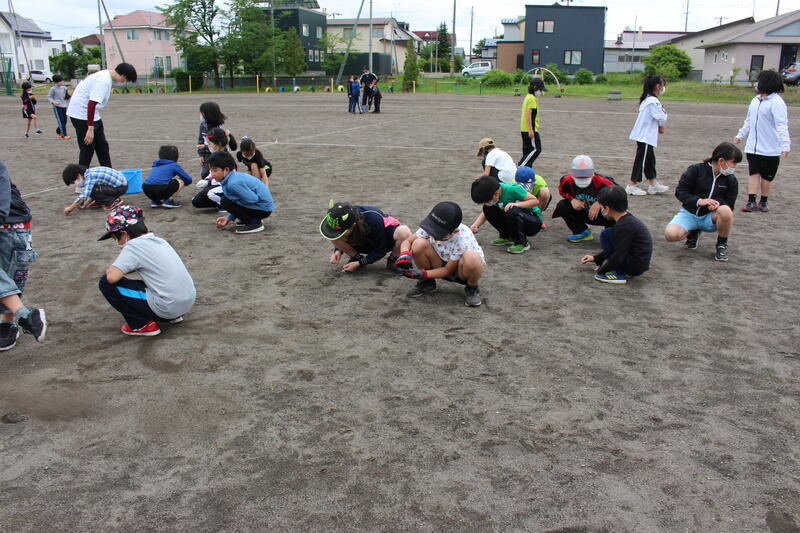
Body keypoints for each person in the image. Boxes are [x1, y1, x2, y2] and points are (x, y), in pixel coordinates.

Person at [98, 205, 196, 336]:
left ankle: (141, 324)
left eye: (116, 239)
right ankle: (173, 316)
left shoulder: (133, 246)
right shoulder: (160, 241)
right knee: (148, 283)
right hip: (186, 303)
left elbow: (112, 277)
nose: (118, 243)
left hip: (167, 307)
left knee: (105, 283)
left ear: (124, 234)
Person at [395, 201, 485, 307]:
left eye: (439, 233)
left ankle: (472, 287)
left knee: (472, 257)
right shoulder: (430, 227)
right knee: (418, 244)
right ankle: (427, 283)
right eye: (432, 230)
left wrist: (423, 273)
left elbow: (447, 270)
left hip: (462, 270)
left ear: (455, 231)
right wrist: (404, 254)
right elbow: (407, 241)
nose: (433, 234)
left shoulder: (463, 238)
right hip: (441, 261)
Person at [664, 142, 741, 262]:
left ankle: (721, 245)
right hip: (689, 213)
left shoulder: (731, 180)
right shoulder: (696, 170)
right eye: (734, 162)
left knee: (726, 211)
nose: (735, 167)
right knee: (671, 235)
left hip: (710, 218)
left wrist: (717, 204)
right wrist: (699, 201)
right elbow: (680, 191)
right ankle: (692, 232)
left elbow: (730, 204)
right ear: (721, 160)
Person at [0, 161, 46, 350]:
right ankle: (18, 318)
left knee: (8, 277)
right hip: (10, 227)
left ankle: (15, 319)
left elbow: (2, 206)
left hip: (11, 229)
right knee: (6, 278)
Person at [734, 69, 791, 213]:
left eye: (759, 81)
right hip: (752, 147)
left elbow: (781, 125)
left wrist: (785, 145)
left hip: (770, 148)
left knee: (767, 177)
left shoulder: (777, 102)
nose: (757, 84)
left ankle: (763, 201)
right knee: (753, 173)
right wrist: (741, 135)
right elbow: (749, 120)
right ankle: (751, 201)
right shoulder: (755, 100)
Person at [66, 62, 137, 167]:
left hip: (92, 114)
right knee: (87, 149)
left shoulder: (106, 76)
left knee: (102, 146)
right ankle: (80, 175)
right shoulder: (103, 81)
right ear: (123, 75)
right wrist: (90, 129)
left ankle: (109, 173)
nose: (124, 82)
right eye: (126, 80)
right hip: (80, 114)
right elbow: (91, 104)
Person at [580, 185, 652, 285]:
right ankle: (618, 269)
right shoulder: (627, 220)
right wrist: (596, 258)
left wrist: (602, 270)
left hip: (635, 266)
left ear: (607, 208)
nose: (602, 210)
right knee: (610, 234)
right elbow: (618, 246)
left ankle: (619, 273)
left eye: (602, 207)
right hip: (638, 263)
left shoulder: (624, 225)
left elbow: (619, 254)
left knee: (606, 234)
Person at [319, 201, 412, 272]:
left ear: (353, 225)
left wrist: (360, 264)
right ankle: (355, 257)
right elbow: (337, 234)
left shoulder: (373, 218)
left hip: (383, 241)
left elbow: (381, 250)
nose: (339, 234)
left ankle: (393, 260)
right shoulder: (343, 219)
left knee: (404, 232)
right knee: (331, 236)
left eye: (341, 232)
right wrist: (338, 251)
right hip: (361, 241)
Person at [470, 176, 542, 254]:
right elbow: (485, 213)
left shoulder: (512, 189)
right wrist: (476, 225)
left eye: (487, 201)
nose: (487, 203)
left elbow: (535, 201)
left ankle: (522, 243)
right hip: (517, 218)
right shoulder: (494, 191)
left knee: (512, 210)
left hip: (533, 223)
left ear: (496, 194)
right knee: (488, 208)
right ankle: (507, 236)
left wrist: (516, 204)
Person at [551, 155, 616, 242]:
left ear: (593, 172)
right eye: (578, 176)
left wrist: (601, 202)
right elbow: (563, 191)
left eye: (585, 176)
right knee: (562, 205)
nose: (582, 178)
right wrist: (572, 200)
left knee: (615, 210)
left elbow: (619, 196)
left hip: (604, 216)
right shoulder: (567, 180)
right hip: (584, 212)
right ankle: (582, 231)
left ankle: (611, 235)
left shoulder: (604, 182)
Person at [207, 151, 275, 234]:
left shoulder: (233, 183)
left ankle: (255, 223)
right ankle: (251, 219)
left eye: (215, 171)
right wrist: (229, 218)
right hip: (262, 207)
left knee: (225, 202)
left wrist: (236, 203)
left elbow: (253, 199)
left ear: (226, 170)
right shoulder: (231, 178)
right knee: (227, 200)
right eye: (211, 171)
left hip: (263, 209)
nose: (212, 174)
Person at [627, 74, 669, 196]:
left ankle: (653, 184)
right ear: (657, 86)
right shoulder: (652, 101)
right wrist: (662, 124)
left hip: (647, 136)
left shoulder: (648, 99)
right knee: (642, 160)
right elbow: (660, 116)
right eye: (662, 85)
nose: (663, 87)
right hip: (645, 136)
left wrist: (660, 125)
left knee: (650, 159)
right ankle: (631, 185)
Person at [192, 128, 237, 210]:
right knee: (197, 201)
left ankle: (226, 205)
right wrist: (207, 180)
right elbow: (211, 173)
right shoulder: (217, 155)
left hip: (225, 186)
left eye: (209, 143)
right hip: (217, 184)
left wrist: (208, 182)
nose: (208, 146)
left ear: (218, 144)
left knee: (204, 196)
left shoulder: (224, 157)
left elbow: (225, 177)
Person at [62, 164, 127, 214]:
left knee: (94, 189)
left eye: (73, 182)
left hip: (120, 188)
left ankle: (113, 201)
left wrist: (70, 208)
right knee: (93, 189)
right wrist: (84, 205)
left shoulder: (90, 177)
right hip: (119, 185)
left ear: (78, 175)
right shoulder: (89, 172)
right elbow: (90, 192)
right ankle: (101, 201)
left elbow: (84, 196)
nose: (75, 184)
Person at [197, 101, 234, 177]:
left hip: (218, 153)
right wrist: (201, 154)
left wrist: (205, 147)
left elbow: (218, 146)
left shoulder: (218, 128)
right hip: (207, 153)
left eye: (201, 112)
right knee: (204, 174)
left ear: (208, 114)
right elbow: (201, 140)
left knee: (216, 172)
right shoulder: (203, 125)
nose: (200, 114)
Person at [519, 78, 545, 167]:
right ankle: (521, 166)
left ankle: (526, 171)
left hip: (524, 129)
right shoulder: (532, 99)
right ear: (535, 88)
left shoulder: (528, 96)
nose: (541, 92)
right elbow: (529, 114)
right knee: (537, 149)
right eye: (540, 90)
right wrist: (531, 130)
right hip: (530, 129)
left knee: (527, 152)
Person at [47, 74, 71, 139]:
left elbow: (66, 96)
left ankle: (58, 132)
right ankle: (64, 135)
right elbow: (49, 97)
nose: (60, 82)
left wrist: (69, 96)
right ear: (55, 82)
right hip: (57, 106)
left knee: (64, 120)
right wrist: (53, 102)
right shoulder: (53, 89)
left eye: (60, 81)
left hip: (64, 105)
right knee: (61, 120)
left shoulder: (64, 88)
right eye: (58, 82)